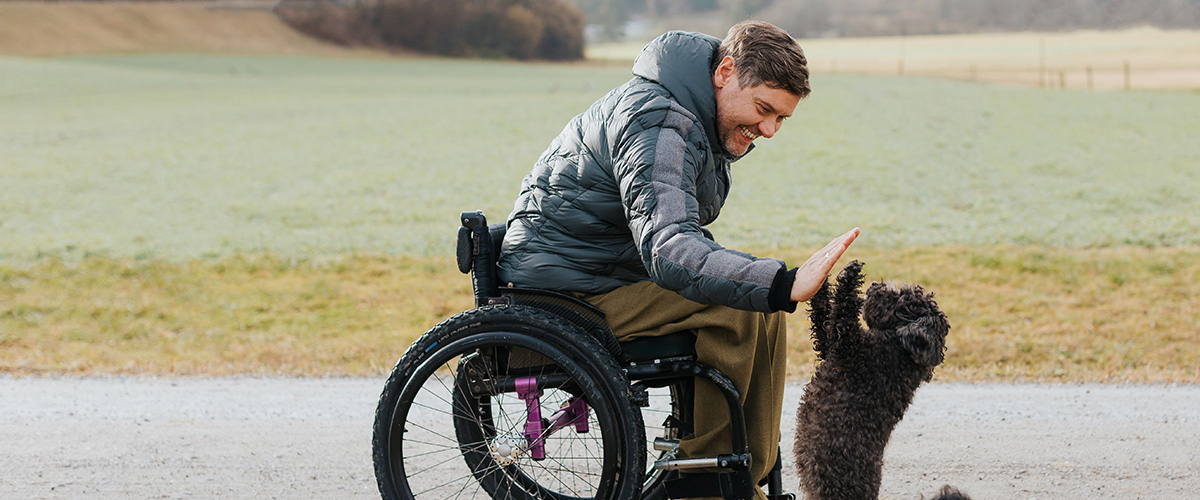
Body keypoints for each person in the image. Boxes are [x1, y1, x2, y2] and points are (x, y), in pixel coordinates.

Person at [498, 20, 859, 499]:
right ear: (725, 72)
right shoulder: (660, 121)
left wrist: (774, 286)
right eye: (764, 109)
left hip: (600, 273)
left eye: (781, 119)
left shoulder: (686, 115)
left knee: (765, 312)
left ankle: (742, 474)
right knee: (741, 309)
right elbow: (669, 249)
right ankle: (704, 482)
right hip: (565, 291)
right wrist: (779, 282)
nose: (770, 130)